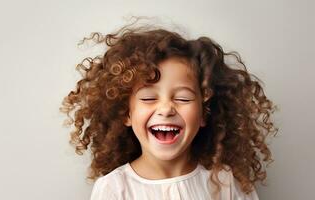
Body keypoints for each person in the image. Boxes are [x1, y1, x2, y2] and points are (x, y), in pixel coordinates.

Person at [61, 17, 277, 200]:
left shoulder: (225, 182)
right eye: (148, 98)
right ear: (126, 113)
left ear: (204, 113)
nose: (166, 109)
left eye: (183, 98)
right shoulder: (114, 189)